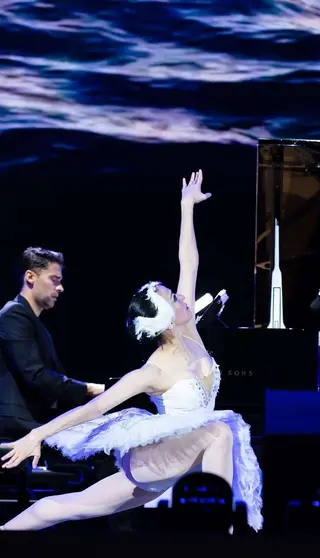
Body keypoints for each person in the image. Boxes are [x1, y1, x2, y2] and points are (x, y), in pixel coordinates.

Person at [0, 169, 263, 533]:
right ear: (167, 319)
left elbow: (189, 260)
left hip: (185, 456)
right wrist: (37, 435)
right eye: (173, 298)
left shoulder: (187, 329)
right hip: (157, 456)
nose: (182, 297)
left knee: (64, 508)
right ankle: (221, 534)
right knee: (220, 430)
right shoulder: (153, 371)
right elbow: (95, 407)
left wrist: (187, 207)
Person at [0, 247, 105, 440]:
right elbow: (35, 375)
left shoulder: (33, 321)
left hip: (33, 423)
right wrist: (89, 389)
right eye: (54, 280)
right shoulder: (13, 315)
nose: (60, 288)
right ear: (30, 277)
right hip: (16, 428)